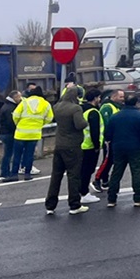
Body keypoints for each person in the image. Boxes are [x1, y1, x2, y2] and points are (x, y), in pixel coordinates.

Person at [45, 87, 87, 216]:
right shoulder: (75, 108)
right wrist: (86, 121)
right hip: (72, 145)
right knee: (73, 175)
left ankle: (50, 205)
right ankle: (75, 204)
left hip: (59, 144)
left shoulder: (57, 106)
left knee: (56, 175)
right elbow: (79, 125)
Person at [104, 95, 140, 208]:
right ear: (136, 103)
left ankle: (111, 198)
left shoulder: (115, 117)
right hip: (135, 148)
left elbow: (107, 134)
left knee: (116, 172)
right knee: (136, 172)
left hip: (118, 148)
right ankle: (138, 197)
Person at [13, 86, 53, 182]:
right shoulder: (46, 104)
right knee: (29, 155)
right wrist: (40, 124)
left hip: (20, 134)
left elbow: (15, 115)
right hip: (34, 134)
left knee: (17, 155)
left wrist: (18, 124)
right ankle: (27, 174)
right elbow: (50, 118)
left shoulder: (25, 102)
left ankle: (14, 174)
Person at [92, 89, 124, 193]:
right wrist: (108, 137)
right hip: (108, 140)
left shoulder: (116, 107)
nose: (122, 99)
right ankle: (97, 179)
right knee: (107, 160)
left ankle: (105, 180)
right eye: (120, 97)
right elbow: (106, 124)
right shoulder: (107, 107)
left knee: (112, 160)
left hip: (116, 139)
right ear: (114, 97)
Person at [78, 89, 104, 204]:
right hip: (89, 146)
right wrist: (97, 145)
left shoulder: (81, 109)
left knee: (81, 171)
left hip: (80, 144)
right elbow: (95, 131)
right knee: (88, 171)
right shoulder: (93, 112)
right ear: (95, 98)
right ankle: (84, 193)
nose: (99, 100)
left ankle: (79, 192)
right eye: (99, 98)